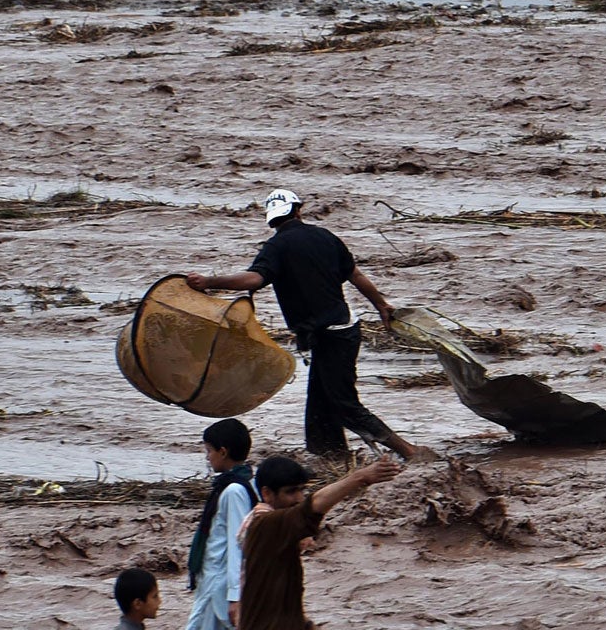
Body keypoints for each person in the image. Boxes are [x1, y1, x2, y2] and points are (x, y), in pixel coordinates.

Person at [187, 188, 433, 462]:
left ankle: (407, 452)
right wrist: (381, 306)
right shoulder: (325, 237)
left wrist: (210, 282)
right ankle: (332, 459)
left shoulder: (277, 247)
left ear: (272, 220)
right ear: (298, 210)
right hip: (344, 330)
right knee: (318, 406)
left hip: (331, 337)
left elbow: (254, 280)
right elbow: (355, 274)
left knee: (343, 404)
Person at [239, 454, 402, 630]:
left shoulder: (270, 527)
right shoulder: (266, 524)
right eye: (291, 491)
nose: (299, 498)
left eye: (302, 490)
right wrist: (359, 477)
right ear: (266, 493)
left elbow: (282, 599)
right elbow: (312, 506)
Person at [186, 419, 260, 630]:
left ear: (223, 452)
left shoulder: (233, 491)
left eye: (209, 451)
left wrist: (235, 596)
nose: (207, 458)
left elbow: (239, 544)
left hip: (218, 584)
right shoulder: (238, 484)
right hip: (213, 580)